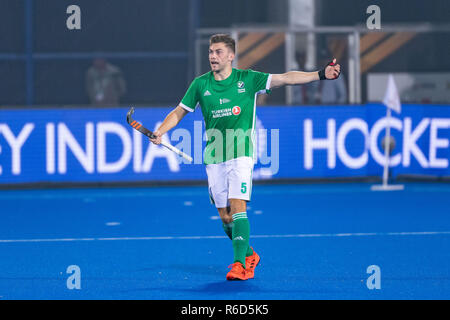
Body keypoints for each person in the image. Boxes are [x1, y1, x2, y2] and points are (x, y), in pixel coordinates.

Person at [149, 34, 341, 281]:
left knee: (238, 206)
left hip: (241, 153)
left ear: (231, 56)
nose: (212, 56)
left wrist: (320, 74)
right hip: (214, 155)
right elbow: (179, 112)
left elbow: (285, 78)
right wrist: (161, 131)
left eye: (218, 52)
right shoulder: (200, 84)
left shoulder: (247, 79)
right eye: (210, 52)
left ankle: (239, 265)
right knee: (226, 218)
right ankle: (249, 254)